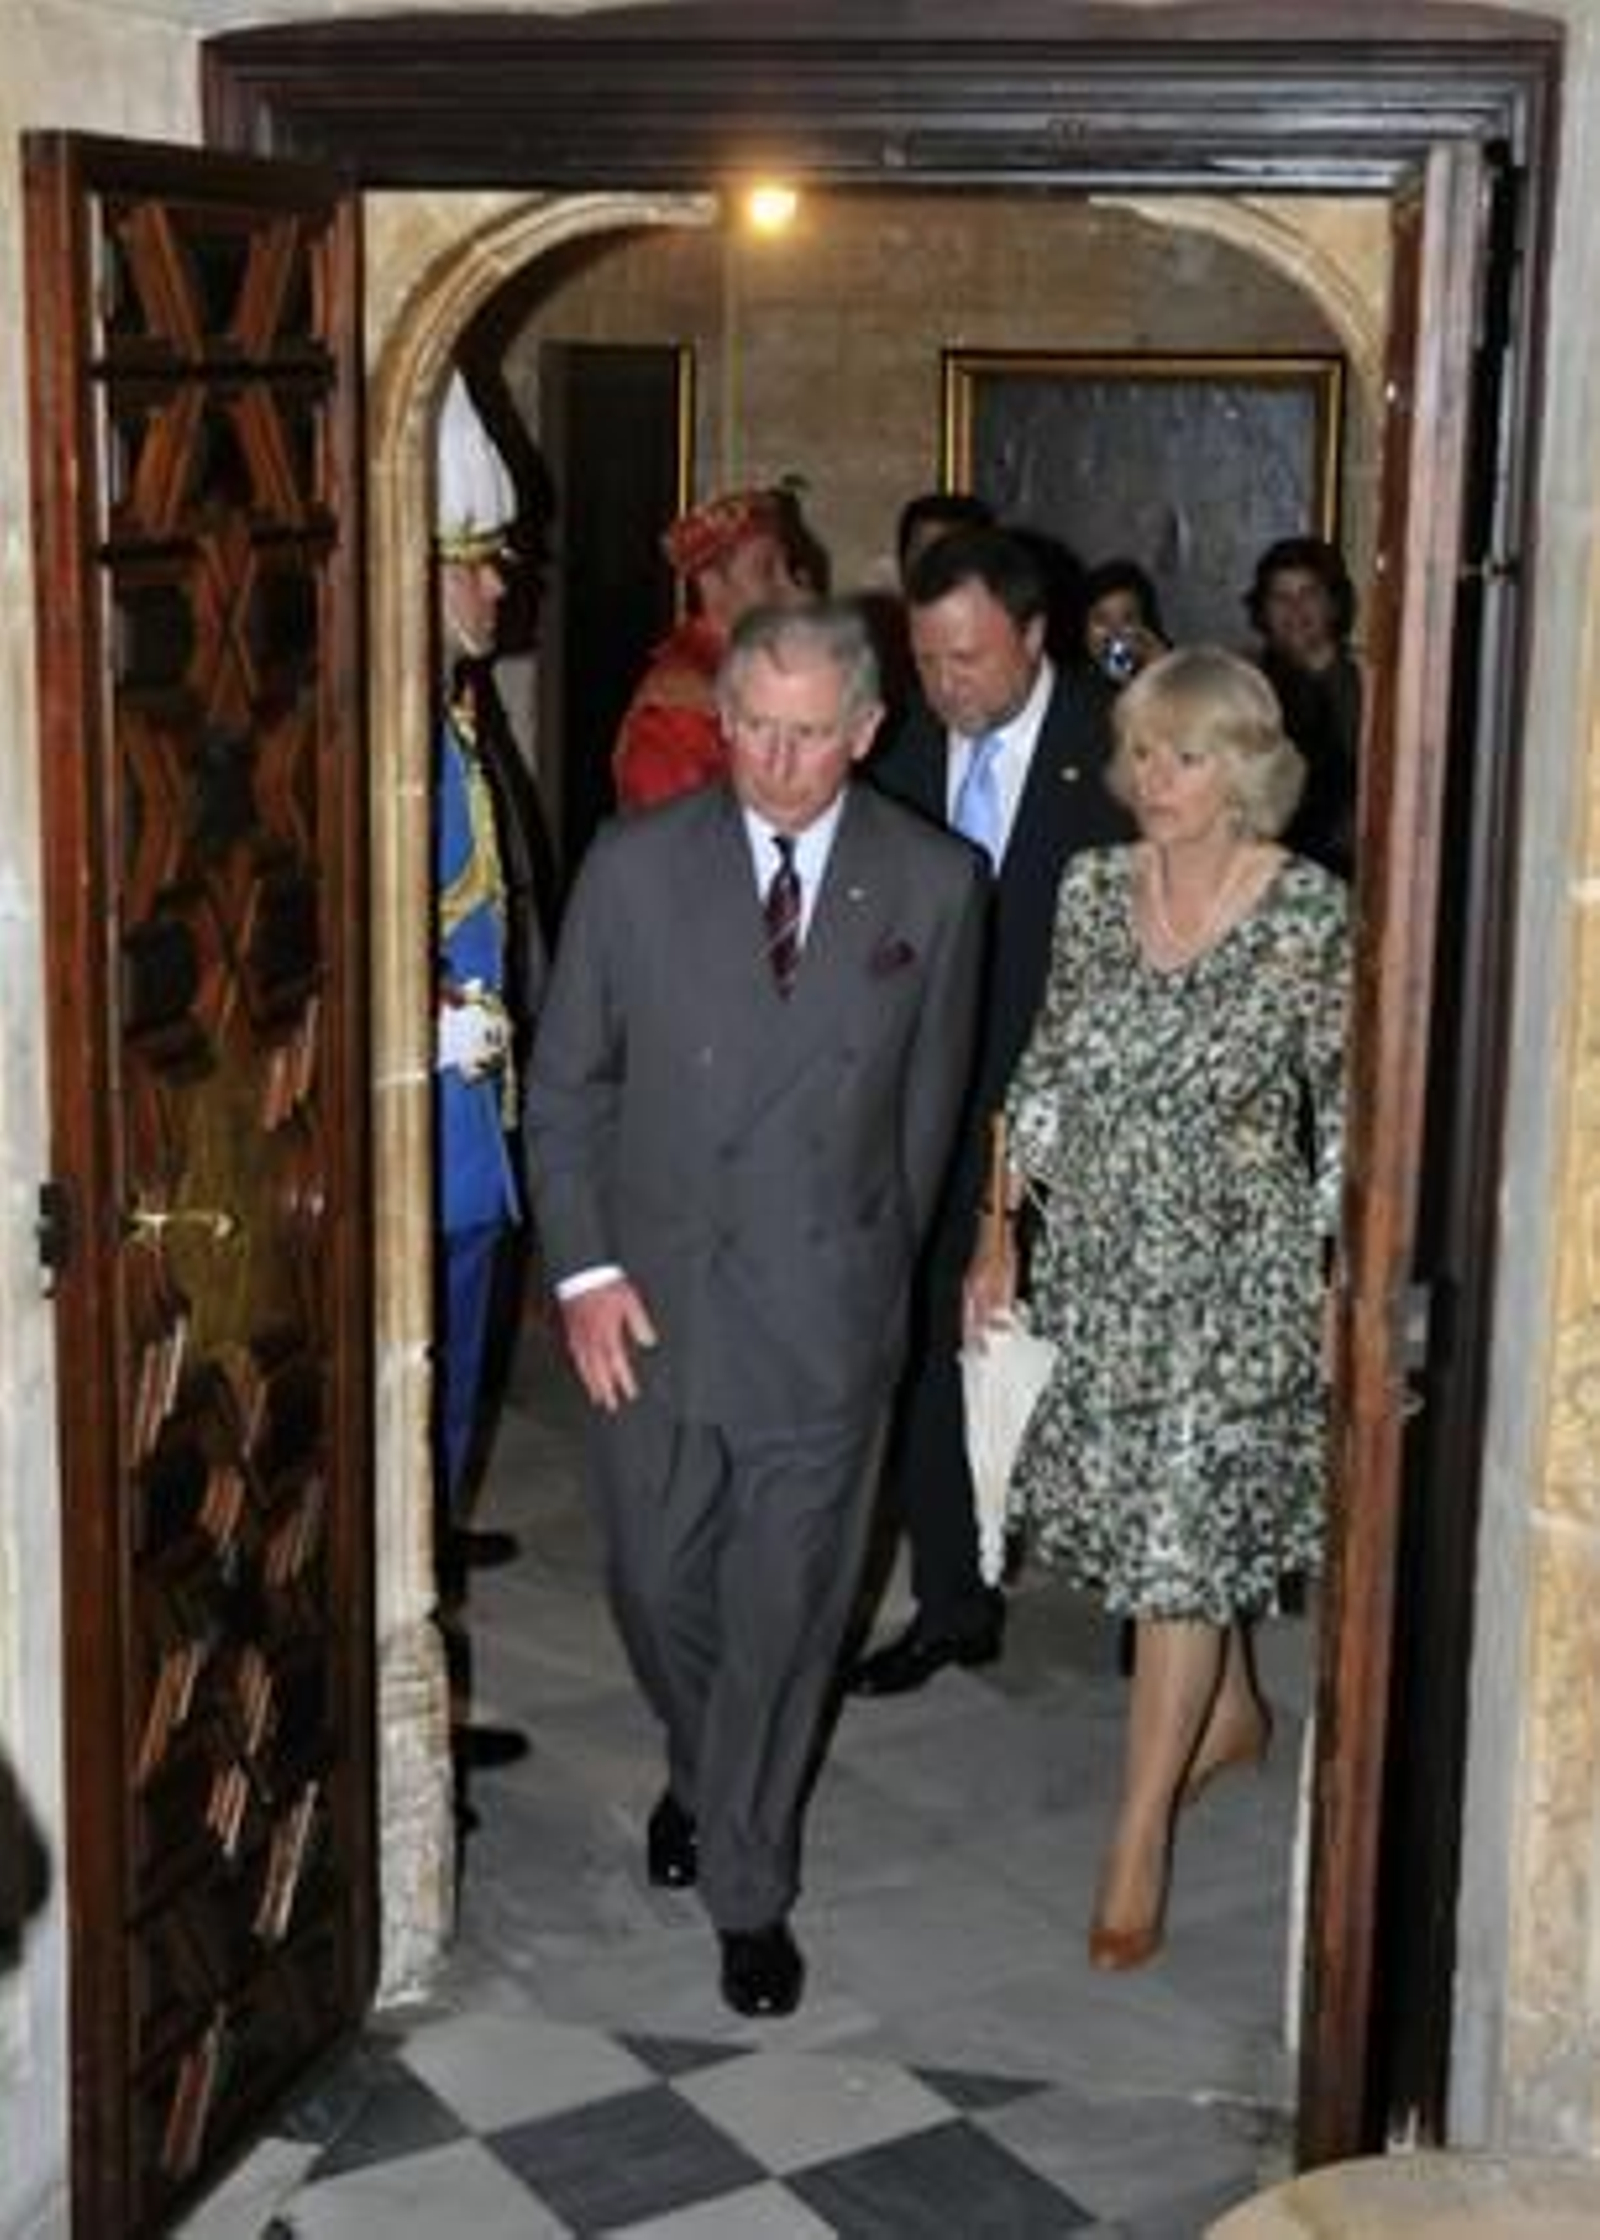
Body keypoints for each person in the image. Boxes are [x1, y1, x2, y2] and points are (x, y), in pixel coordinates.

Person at [526, 600, 986, 2018]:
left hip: (824, 1321)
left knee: (787, 1617)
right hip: (650, 1312)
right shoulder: (635, 865)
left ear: (864, 731)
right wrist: (587, 1274)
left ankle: (748, 1881)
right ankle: (703, 1765)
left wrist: (872, 1285)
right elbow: (566, 1092)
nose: (778, 763)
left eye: (808, 735)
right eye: (753, 730)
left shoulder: (934, 883)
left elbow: (928, 1122)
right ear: (720, 723)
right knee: (659, 1585)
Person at [967, 644, 1349, 1971]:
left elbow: (1344, 1100)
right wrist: (1001, 1226)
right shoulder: (1088, 889)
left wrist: (1340, 1263)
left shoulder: (1307, 912)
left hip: (1239, 1268)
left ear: (1246, 768)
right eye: (1140, 752)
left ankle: (1136, 1840)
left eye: (1185, 756)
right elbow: (1050, 1062)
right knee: (1154, 1528)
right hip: (1109, 1260)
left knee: (1182, 1538)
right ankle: (1231, 1710)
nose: (1153, 779)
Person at [847, 525, 1132, 1698]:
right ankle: (952, 1599)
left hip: (1078, 1115)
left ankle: (1133, 1595)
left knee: (1089, 1353)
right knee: (922, 1351)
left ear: (1031, 634)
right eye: (925, 658)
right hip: (931, 1115)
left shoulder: (1118, 755)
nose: (945, 684)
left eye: (967, 657)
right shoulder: (905, 746)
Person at [612, 487, 802, 811]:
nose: (793, 591)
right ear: (712, 583)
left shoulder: (754, 670)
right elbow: (674, 842)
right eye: (767, 572)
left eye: (789, 569)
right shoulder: (676, 710)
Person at [1244, 534, 1364, 879]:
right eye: (1281, 597)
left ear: (1333, 603)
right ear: (1263, 611)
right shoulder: (1245, 686)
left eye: (1308, 593)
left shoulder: (1370, 686)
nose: (1295, 609)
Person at [1081, 557, 1169, 687]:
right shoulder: (1068, 689)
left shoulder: (1164, 669)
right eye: (1101, 620)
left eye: (1127, 620)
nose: (1115, 632)